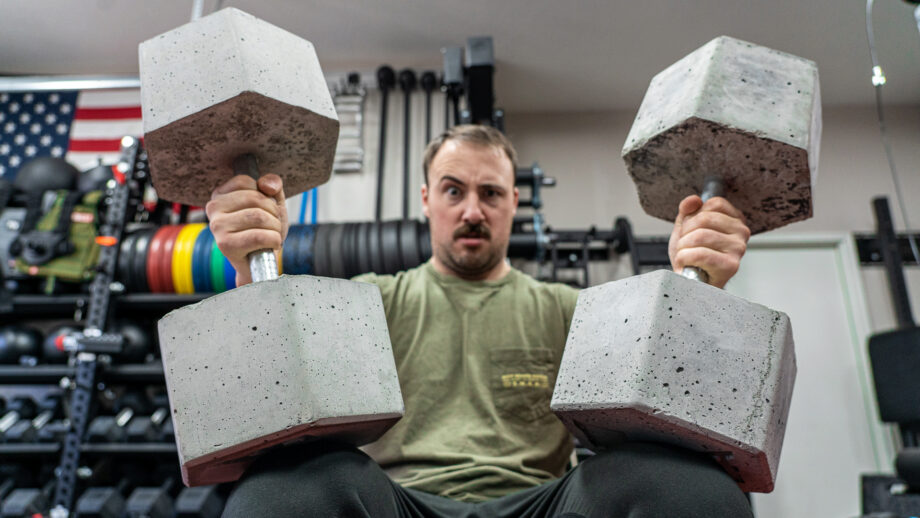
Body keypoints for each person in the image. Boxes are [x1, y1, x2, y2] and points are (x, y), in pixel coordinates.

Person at [206, 125, 753, 517]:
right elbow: (277, 396)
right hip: (398, 502)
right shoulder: (367, 304)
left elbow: (668, 404)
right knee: (280, 490)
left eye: (490, 193)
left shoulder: (574, 311)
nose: (472, 210)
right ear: (426, 199)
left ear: (514, 203)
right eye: (453, 190)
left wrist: (698, 283)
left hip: (542, 504)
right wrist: (249, 269)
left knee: (687, 485)